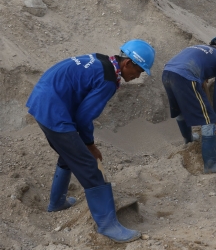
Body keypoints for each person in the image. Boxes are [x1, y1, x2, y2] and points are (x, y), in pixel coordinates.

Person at [26, 39, 156, 243]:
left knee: (70, 153)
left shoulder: (101, 60)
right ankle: (108, 226)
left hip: (43, 101)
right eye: (139, 71)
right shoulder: (107, 80)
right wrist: (90, 145)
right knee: (88, 165)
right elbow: (84, 117)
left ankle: (57, 203)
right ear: (127, 63)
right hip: (53, 110)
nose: (138, 76)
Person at [162, 35, 216, 174]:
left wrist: (201, 78)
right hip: (185, 76)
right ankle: (211, 165)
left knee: (179, 109)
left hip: (167, 72)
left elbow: (193, 64)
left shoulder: (198, 48)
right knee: (208, 118)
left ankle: (189, 139)